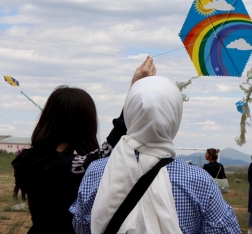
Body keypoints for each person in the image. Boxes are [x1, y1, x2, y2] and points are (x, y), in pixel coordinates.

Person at [70, 76, 240, 234]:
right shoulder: (199, 182)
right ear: (175, 117)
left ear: (129, 113)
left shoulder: (96, 172)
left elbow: (81, 227)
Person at [12, 56, 155, 234]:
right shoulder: (64, 167)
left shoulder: (27, 160)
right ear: (83, 124)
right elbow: (108, 150)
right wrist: (134, 90)